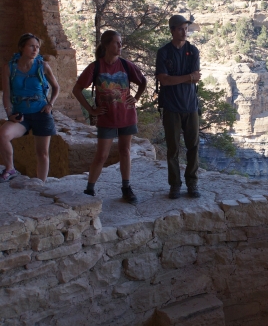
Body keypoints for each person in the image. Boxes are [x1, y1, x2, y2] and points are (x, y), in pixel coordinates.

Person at [72, 30, 147, 204]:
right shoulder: (96, 67)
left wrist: (136, 98)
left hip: (126, 115)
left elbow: (142, 81)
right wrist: (91, 110)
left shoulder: (126, 65)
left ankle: (126, 188)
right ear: (106, 45)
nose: (120, 46)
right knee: (102, 155)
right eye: (116, 43)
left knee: (125, 151)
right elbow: (76, 89)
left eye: (121, 42)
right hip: (107, 118)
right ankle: (89, 189)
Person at [0, 33, 60, 182]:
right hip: (22, 114)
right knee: (3, 135)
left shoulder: (43, 66)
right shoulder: (9, 68)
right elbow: (6, 94)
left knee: (42, 153)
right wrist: (10, 114)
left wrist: (50, 104)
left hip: (41, 112)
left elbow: (56, 87)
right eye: (31, 46)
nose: (35, 50)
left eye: (37, 47)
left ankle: (41, 184)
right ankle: (10, 168)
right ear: (22, 47)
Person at [156, 15, 201, 199]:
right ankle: (174, 185)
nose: (185, 32)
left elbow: (196, 76)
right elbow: (164, 80)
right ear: (172, 30)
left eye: (186, 28)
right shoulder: (164, 52)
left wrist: (180, 78)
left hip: (190, 105)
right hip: (171, 107)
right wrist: (187, 77)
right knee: (173, 149)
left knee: (193, 147)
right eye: (181, 29)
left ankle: (192, 183)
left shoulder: (192, 50)